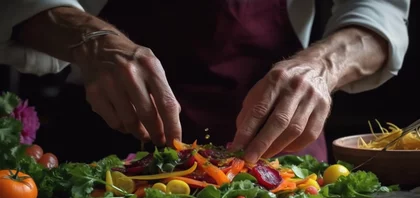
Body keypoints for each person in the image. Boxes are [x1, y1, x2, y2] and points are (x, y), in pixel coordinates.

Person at [0, 0, 410, 164]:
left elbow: (380, 8)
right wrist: (92, 40)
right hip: (103, 143)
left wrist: (321, 67)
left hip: (278, 152)